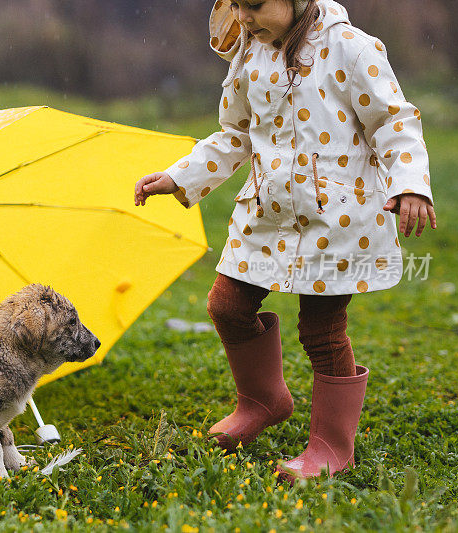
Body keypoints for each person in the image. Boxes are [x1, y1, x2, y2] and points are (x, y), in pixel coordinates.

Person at [134, 0, 436, 481]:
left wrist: (411, 184)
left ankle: (332, 447)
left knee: (321, 331)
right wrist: (179, 177)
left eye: (255, 5)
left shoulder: (351, 49)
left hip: (337, 218)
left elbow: (393, 120)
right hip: (267, 213)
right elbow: (236, 133)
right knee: (227, 306)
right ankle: (263, 400)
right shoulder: (249, 56)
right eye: (236, 5)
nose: (245, 17)